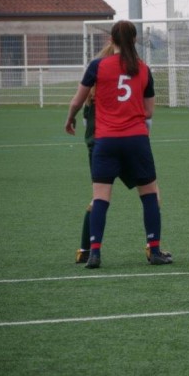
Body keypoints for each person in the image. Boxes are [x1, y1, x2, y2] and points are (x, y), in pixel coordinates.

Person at [65, 20, 172, 269]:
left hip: (106, 141)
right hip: (136, 140)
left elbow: (78, 100)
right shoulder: (143, 69)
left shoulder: (98, 66)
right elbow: (148, 111)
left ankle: (94, 253)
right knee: (149, 195)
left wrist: (70, 119)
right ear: (135, 40)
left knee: (101, 198)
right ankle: (154, 250)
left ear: (111, 40)